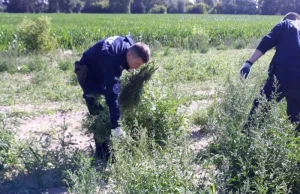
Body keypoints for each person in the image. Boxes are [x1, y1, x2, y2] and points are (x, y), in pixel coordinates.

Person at [75, 35, 151, 160]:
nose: (137, 68)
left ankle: (111, 145)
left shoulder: (128, 47)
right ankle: (103, 154)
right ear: (130, 55)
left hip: (101, 65)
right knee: (98, 110)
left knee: (109, 106)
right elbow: (112, 96)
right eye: (137, 64)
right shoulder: (113, 60)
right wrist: (116, 127)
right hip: (88, 73)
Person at [240, 12, 300, 132]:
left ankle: (248, 135)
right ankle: (295, 142)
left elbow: (267, 42)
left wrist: (249, 63)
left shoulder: (285, 24)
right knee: (296, 115)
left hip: (282, 74)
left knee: (261, 105)